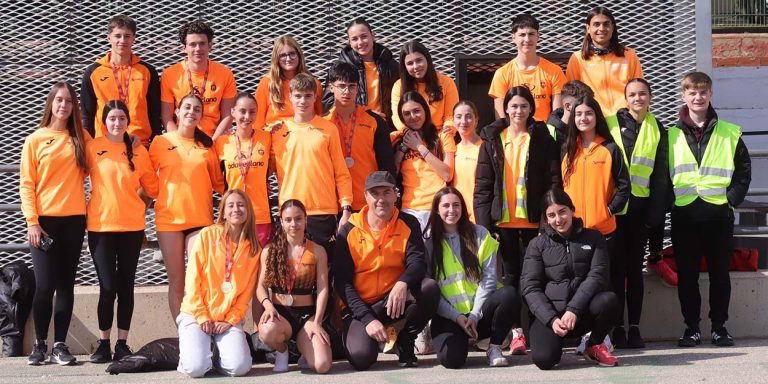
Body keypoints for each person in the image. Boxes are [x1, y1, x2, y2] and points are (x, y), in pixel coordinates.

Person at [473, 86, 559, 353]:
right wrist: (487, 225)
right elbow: (483, 186)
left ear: (531, 108)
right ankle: (517, 334)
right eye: (514, 106)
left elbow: (553, 181)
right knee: (510, 282)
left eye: (523, 106)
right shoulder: (492, 139)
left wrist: (549, 220)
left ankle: (538, 331)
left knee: (536, 280)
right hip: (505, 225)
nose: (518, 111)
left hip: (535, 223)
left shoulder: (543, 137)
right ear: (505, 109)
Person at [668, 72, 751, 348]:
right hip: (685, 215)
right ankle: (691, 328)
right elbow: (662, 176)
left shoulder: (730, 132)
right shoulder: (670, 135)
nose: (698, 97)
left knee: (719, 274)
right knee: (688, 276)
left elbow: (743, 173)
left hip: (719, 215)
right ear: (684, 96)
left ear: (711, 95)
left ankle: (719, 327)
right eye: (692, 92)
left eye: (703, 92)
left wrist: (731, 200)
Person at [335, 171, 440, 370]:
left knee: (429, 288)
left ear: (396, 195)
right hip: (361, 307)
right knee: (362, 358)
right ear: (366, 196)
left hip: (393, 301)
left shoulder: (408, 223)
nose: (381, 199)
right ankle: (374, 336)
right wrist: (367, 319)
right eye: (375, 193)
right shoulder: (348, 230)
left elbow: (418, 262)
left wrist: (403, 283)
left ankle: (405, 339)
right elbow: (342, 282)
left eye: (386, 192)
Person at [20, 82, 89, 366]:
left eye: (69, 101)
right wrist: (32, 222)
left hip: (74, 221)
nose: (64, 105)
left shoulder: (81, 137)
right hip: (44, 223)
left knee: (66, 285)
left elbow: (102, 161)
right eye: (59, 100)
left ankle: (60, 345)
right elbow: (26, 184)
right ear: (51, 104)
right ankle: (39, 344)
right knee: (45, 285)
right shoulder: (35, 139)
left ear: (74, 107)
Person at [86, 100, 159, 363]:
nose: (117, 123)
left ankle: (122, 344)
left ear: (128, 122)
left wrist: (138, 203)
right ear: (104, 122)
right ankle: (103, 343)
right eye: (112, 119)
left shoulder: (139, 152)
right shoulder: (93, 147)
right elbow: (75, 175)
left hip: (131, 228)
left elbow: (153, 187)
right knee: (107, 287)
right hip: (100, 227)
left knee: (126, 286)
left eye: (121, 119)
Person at [521, 188, 620, 369]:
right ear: (545, 218)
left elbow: (598, 276)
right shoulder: (537, 245)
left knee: (609, 300)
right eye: (551, 215)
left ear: (572, 210)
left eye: (562, 212)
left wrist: (574, 309)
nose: (558, 220)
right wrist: (551, 319)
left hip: (581, 313)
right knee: (544, 360)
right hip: (552, 316)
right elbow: (530, 287)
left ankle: (594, 344)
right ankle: (554, 341)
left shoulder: (594, 237)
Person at [149, 93, 225, 319]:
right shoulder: (160, 142)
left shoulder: (207, 146)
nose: (191, 112)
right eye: (187, 108)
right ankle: (184, 334)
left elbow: (219, 184)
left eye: (197, 109)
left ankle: (201, 328)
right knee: (177, 281)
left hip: (200, 222)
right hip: (169, 221)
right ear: (177, 112)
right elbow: (146, 178)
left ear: (201, 116)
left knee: (199, 278)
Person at [605, 78, 668, 349]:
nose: (637, 98)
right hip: (615, 209)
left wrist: (656, 214)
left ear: (650, 97)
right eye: (632, 94)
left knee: (636, 269)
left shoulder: (659, 129)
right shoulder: (609, 124)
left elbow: (661, 176)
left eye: (642, 94)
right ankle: (617, 327)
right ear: (625, 98)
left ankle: (635, 328)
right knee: (615, 271)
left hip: (641, 210)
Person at [426, 187, 520, 368]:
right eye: (446, 206)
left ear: (463, 207)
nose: (451, 210)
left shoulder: (480, 234)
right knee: (451, 361)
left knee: (509, 294)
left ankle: (494, 347)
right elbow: (432, 293)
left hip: (480, 313)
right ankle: (462, 341)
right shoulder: (430, 243)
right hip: (450, 317)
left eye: (456, 205)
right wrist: (457, 317)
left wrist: (475, 316)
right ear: (437, 210)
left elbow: (490, 279)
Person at [176, 189, 260, 378]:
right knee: (195, 369)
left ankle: (216, 356)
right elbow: (192, 279)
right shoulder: (207, 235)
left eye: (241, 205)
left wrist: (230, 320)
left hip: (227, 319)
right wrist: (202, 315)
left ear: (248, 210)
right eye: (230, 205)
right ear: (223, 211)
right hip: (197, 315)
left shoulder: (254, 248)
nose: (236, 209)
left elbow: (246, 294)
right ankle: (194, 354)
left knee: (239, 368)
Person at [270, 73, 353, 256]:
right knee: (293, 274)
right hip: (290, 212)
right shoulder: (277, 131)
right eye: (298, 96)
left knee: (325, 269)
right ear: (289, 97)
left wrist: (346, 206)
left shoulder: (329, 129)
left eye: (308, 96)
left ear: (315, 97)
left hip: (322, 210)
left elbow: (341, 172)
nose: (303, 101)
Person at [255, 200, 332, 374]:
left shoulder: (317, 251)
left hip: (307, 317)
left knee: (322, 366)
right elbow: (260, 286)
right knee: (267, 331)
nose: (293, 224)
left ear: (306, 220)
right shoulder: (269, 251)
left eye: (298, 219)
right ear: (281, 221)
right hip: (280, 316)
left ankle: (304, 350)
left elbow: (323, 289)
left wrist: (317, 322)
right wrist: (268, 305)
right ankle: (282, 351)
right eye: (288, 219)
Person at [324, 61, 396, 211]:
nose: (347, 91)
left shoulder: (375, 122)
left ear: (358, 89)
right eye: (341, 86)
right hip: (332, 203)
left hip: (368, 203)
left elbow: (387, 165)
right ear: (331, 88)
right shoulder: (323, 124)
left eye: (352, 86)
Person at [81, 14, 161, 146]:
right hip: (104, 144)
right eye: (117, 36)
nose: (122, 40)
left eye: (127, 36)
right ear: (109, 38)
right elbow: (86, 115)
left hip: (140, 143)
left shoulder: (147, 71)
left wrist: (155, 142)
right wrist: (88, 145)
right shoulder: (93, 72)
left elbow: (154, 112)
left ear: (134, 38)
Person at [561, 96, 630, 238]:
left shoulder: (610, 149)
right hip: (571, 228)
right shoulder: (567, 149)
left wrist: (608, 211)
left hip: (603, 229)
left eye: (589, 113)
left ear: (597, 117)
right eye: (579, 114)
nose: (583, 118)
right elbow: (557, 186)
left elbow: (624, 187)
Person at [161, 20, 236, 138]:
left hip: (214, 138)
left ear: (210, 46)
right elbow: (167, 116)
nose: (198, 49)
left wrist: (213, 142)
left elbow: (228, 115)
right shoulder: (170, 74)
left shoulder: (225, 74)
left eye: (202, 43)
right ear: (184, 48)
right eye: (192, 44)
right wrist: (179, 143)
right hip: (181, 138)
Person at [394, 91, 456, 230]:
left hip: (438, 208)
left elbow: (447, 174)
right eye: (407, 113)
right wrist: (403, 147)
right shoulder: (397, 139)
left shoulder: (442, 137)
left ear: (425, 111)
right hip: (409, 209)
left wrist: (419, 147)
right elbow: (392, 173)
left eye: (417, 111)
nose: (413, 117)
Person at [565, 6, 643, 116]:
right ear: (588, 28)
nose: (601, 28)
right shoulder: (577, 59)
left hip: (625, 118)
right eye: (596, 24)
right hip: (593, 120)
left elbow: (639, 89)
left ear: (612, 27)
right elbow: (571, 95)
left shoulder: (629, 55)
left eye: (606, 24)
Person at [488, 14, 567, 122]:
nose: (527, 39)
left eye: (531, 34)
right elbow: (501, 119)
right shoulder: (502, 73)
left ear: (538, 36)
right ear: (513, 37)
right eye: (522, 34)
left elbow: (557, 115)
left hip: (544, 134)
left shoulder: (554, 71)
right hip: (514, 136)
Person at [322, 17, 399, 119]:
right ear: (349, 42)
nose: (360, 42)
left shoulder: (390, 65)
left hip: (385, 125)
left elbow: (402, 96)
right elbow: (328, 102)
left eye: (364, 36)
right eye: (354, 39)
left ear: (373, 35)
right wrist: (364, 113)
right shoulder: (340, 68)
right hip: (354, 125)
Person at [254, 36, 323, 130]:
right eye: (283, 55)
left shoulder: (314, 83)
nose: (288, 58)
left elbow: (320, 116)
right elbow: (257, 122)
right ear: (276, 58)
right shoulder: (267, 83)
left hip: (305, 135)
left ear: (299, 55)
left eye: (292, 54)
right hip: (275, 137)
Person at [390, 40, 459, 132]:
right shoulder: (399, 86)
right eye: (410, 63)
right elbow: (397, 116)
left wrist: (448, 128)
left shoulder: (447, 82)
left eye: (419, 60)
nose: (416, 66)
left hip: (439, 135)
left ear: (427, 59)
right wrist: (407, 132)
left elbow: (451, 115)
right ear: (404, 67)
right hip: (410, 135)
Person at [451, 101, 482, 222]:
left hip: (479, 218)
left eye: (468, 116)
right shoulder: (452, 149)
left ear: (476, 120)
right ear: (453, 120)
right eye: (458, 117)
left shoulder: (484, 148)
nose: (463, 121)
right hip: (457, 218)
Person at [546, 80, 594, 145]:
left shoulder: (588, 128)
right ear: (568, 106)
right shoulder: (548, 134)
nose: (588, 107)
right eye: (581, 103)